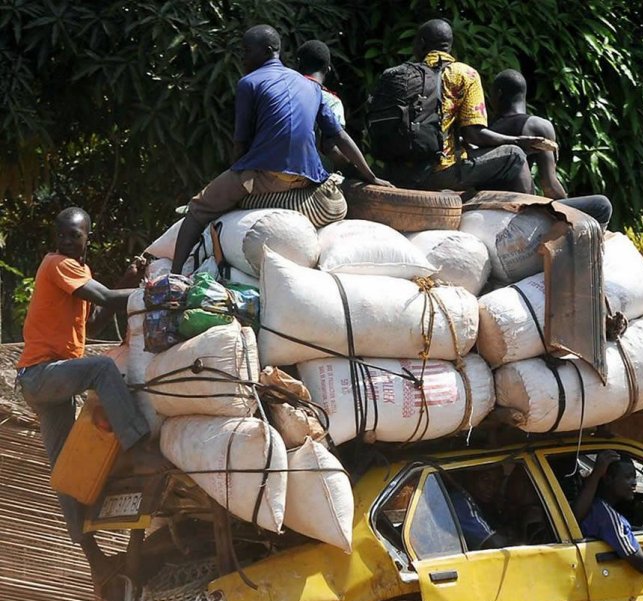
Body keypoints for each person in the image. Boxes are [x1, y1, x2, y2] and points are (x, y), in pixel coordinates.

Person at [171, 25, 388, 272]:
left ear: (266, 50)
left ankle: (174, 276)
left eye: (247, 51)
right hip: (308, 179)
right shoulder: (311, 87)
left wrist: (234, 181)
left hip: (266, 175)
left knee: (198, 208)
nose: (242, 57)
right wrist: (370, 176)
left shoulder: (249, 83)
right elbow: (339, 136)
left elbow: (240, 142)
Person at [16, 208, 151, 569]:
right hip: (41, 375)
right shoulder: (57, 264)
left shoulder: (78, 271)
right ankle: (139, 444)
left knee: (64, 470)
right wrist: (152, 293)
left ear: (86, 237)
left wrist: (128, 278)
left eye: (74, 235)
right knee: (103, 369)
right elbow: (106, 298)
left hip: (50, 381)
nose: (66, 241)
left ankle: (91, 554)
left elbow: (94, 318)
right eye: (62, 235)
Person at [382, 19, 553, 192]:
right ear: (449, 45)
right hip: (438, 173)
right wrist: (518, 141)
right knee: (514, 154)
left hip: (394, 171)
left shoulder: (398, 77)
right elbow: (474, 135)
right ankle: (527, 213)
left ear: (421, 44)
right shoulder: (464, 74)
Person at [489, 69, 614, 227]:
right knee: (602, 205)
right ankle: (593, 247)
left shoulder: (486, 131)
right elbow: (550, 186)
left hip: (492, 204)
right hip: (522, 207)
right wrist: (567, 208)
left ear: (499, 94)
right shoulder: (537, 126)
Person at [571, 451, 643, 574]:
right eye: (628, 477)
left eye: (634, 477)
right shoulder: (608, 518)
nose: (634, 483)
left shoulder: (594, 506)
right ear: (608, 479)